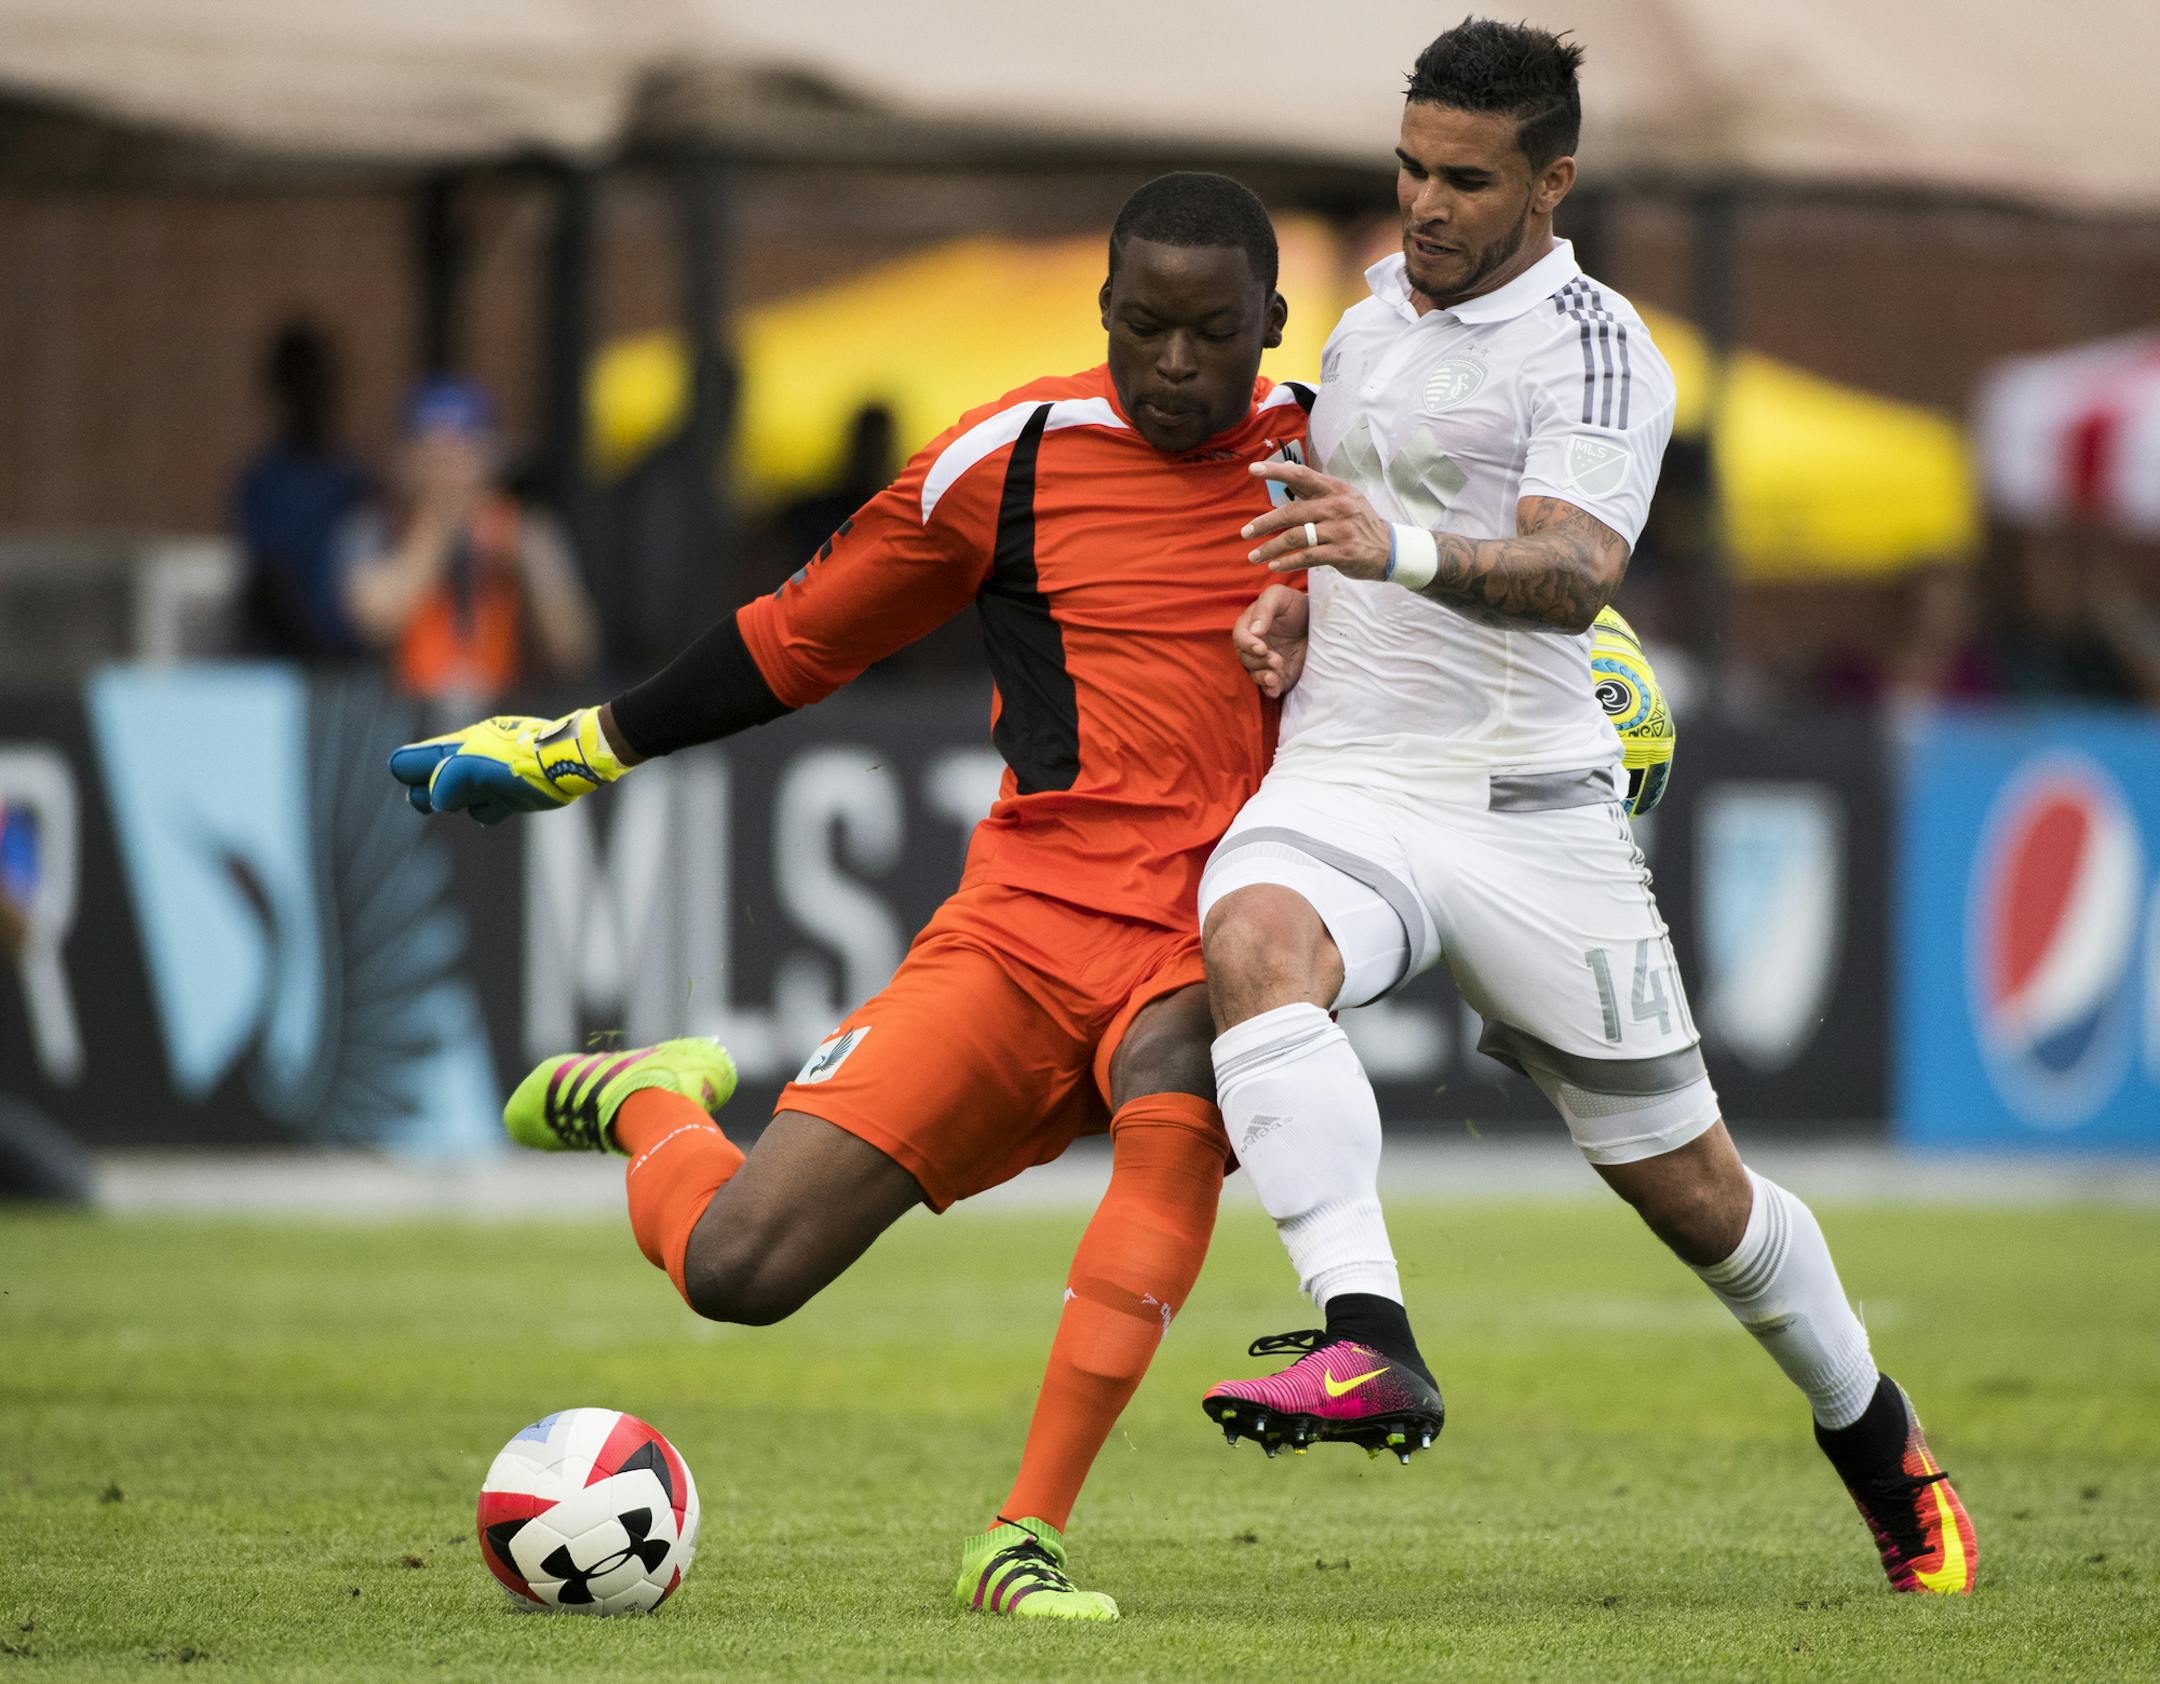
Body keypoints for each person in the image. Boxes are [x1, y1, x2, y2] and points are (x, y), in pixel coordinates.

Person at [390, 173, 1311, 1621]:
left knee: (1180, 1060)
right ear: (1104, 314)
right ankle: (648, 1100)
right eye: (1144, 327)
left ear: (1274, 318)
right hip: (1025, 927)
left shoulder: (1345, 456)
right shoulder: (1006, 461)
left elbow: (1493, 593)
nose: (1177, 363)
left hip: (1226, 926)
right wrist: (579, 748)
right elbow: (798, 640)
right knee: (738, 1269)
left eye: (1211, 331)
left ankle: (1023, 1536)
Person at [1193, 19, 1977, 1598]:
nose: (1424, 202)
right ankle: (1368, 1340)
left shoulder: (1599, 345)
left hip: (1530, 810)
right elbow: (1355, 527)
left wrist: (1388, 557)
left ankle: (1877, 1438)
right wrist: (1302, 611)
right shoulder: (1363, 327)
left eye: (1466, 179)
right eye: (1410, 166)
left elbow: (1575, 574)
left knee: (1696, 1195)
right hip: (1347, 776)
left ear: (1553, 181)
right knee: (1255, 939)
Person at [340, 379, 600, 704]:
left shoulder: (526, 530)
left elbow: (575, 649)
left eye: (461, 451)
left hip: (508, 719)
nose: (447, 469)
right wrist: (438, 528)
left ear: (491, 456)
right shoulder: (374, 527)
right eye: (432, 453)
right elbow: (375, 619)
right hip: (400, 717)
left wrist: (525, 556)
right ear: (405, 459)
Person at [231, 321, 372, 658]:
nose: (309, 394)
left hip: (353, 666)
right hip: (283, 664)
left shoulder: (356, 480)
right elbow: (268, 582)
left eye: (317, 380)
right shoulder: (264, 482)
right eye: (298, 381)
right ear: (279, 389)